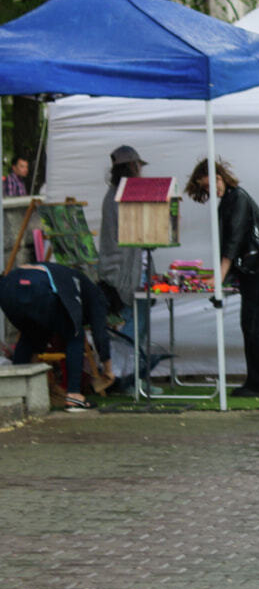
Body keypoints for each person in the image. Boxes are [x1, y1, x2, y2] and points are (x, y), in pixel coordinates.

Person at [184, 158, 259, 398]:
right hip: (257, 264)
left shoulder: (237, 198)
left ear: (221, 176)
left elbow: (234, 241)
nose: (213, 189)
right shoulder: (230, 200)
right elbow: (230, 244)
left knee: (255, 324)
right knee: (254, 324)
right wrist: (221, 275)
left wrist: (220, 276)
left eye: (214, 182)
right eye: (207, 187)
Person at [0, 261, 113, 410]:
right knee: (75, 336)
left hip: (8, 286)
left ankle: (15, 394)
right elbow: (100, 334)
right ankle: (74, 397)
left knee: (29, 336)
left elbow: (45, 324)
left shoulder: (74, 280)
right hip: (39, 286)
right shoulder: (96, 296)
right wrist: (108, 371)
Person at [98, 145, 147, 386]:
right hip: (125, 275)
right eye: (137, 166)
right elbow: (127, 240)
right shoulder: (117, 196)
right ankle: (122, 377)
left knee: (137, 324)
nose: (140, 171)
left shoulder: (121, 194)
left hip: (132, 271)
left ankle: (129, 377)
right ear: (131, 167)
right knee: (131, 326)